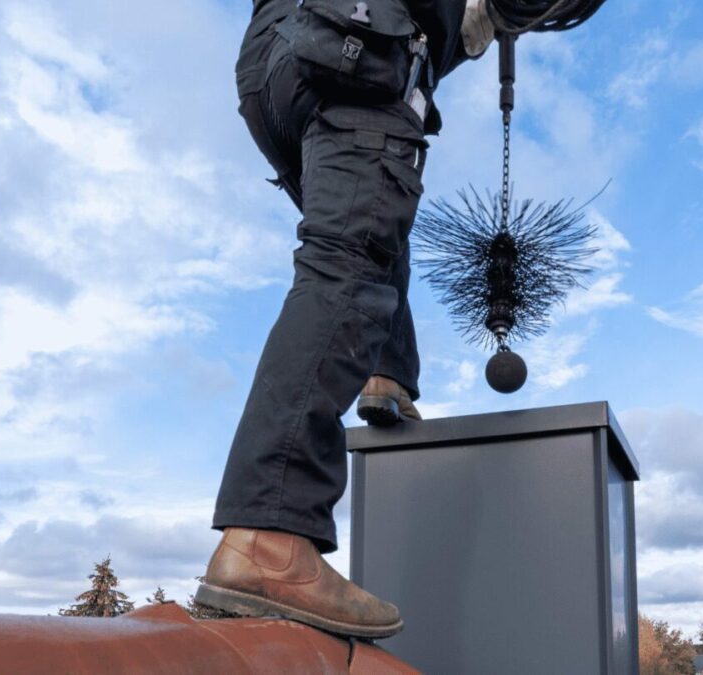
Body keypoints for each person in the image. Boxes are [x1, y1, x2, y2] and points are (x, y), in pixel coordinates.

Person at [195, 0, 496, 639]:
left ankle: (387, 372)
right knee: (348, 264)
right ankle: (268, 537)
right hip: (361, 45)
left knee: (368, 229)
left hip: (272, 67)